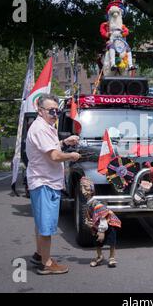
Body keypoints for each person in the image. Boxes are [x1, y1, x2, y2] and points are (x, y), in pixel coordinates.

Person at [26, 94, 81, 275]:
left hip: (44, 181)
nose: (55, 114)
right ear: (40, 111)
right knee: (47, 227)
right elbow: (54, 156)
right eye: (51, 110)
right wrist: (71, 156)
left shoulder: (45, 126)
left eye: (57, 110)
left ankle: (39, 255)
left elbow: (51, 147)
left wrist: (64, 142)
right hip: (44, 182)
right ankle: (46, 264)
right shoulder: (41, 128)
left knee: (41, 224)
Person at [80, 177, 121, 268]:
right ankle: (99, 256)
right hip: (98, 225)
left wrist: (101, 231)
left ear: (91, 190)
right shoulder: (88, 203)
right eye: (82, 188)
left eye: (86, 188)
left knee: (111, 241)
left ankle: (112, 257)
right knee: (97, 241)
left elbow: (103, 217)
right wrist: (89, 223)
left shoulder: (96, 204)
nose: (83, 191)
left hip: (108, 224)